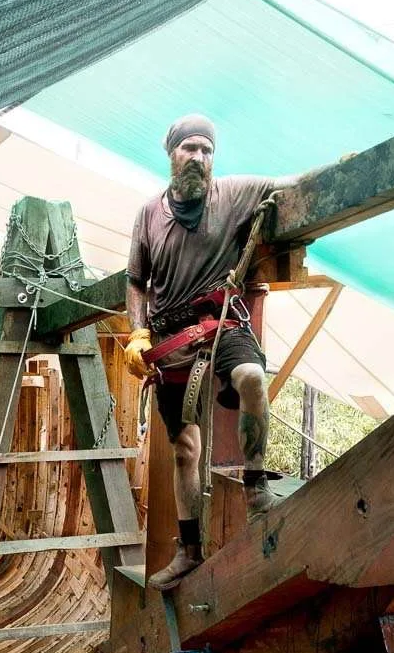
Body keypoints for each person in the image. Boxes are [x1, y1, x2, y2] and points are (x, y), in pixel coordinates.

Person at [124, 114, 297, 590]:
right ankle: (189, 550)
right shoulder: (148, 214)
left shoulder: (236, 193)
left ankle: (256, 486)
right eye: (190, 149)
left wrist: (342, 173)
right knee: (186, 450)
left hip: (221, 322)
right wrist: (138, 332)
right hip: (170, 337)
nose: (199, 157)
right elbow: (136, 281)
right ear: (172, 154)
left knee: (253, 379)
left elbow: (291, 186)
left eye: (206, 150)